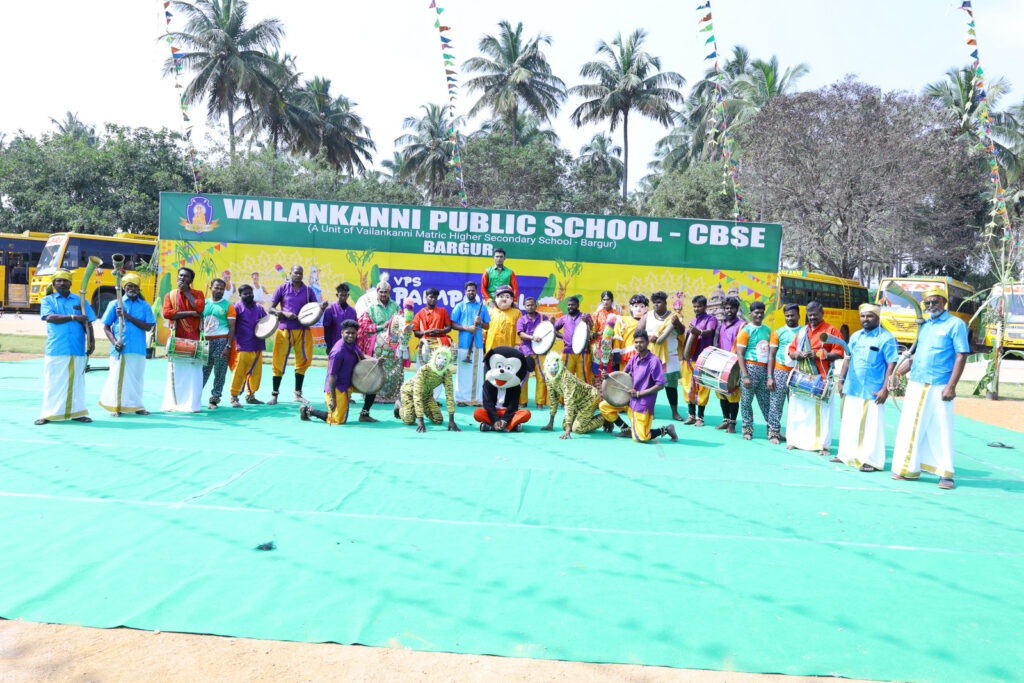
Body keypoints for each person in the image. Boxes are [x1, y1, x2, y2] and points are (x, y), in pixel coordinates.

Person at [889, 287, 969, 489]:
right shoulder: (925, 326)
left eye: (935, 302)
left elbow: (961, 355)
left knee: (941, 428)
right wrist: (898, 374)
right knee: (910, 426)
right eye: (928, 303)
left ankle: (945, 474)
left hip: (940, 384)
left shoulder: (955, 324)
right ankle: (908, 469)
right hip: (917, 382)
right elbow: (916, 356)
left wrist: (951, 386)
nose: (931, 306)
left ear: (944, 302)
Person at [833, 303, 899, 472]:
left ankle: (872, 460)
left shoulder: (887, 338)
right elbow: (847, 359)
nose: (865, 319)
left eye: (869, 316)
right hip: (853, 386)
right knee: (849, 422)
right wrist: (841, 379)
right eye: (863, 316)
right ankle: (846, 455)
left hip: (873, 389)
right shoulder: (855, 336)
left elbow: (891, 365)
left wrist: (886, 388)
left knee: (872, 426)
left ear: (878, 317)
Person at [36, 270, 97, 425]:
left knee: (77, 382)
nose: (62, 283)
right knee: (53, 381)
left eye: (65, 281)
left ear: (71, 283)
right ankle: (48, 414)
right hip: (56, 348)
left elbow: (88, 322)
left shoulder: (80, 300)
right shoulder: (48, 300)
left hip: (77, 347)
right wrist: (72, 317)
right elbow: (50, 317)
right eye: (59, 281)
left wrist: (92, 341)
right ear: (54, 283)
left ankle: (78, 413)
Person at [785, 300, 844, 455]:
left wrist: (819, 355)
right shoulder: (802, 331)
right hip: (802, 376)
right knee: (799, 410)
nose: (812, 318)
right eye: (810, 315)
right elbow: (791, 350)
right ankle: (795, 441)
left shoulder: (831, 330)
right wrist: (796, 354)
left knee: (822, 413)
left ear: (822, 313)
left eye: (815, 315)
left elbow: (840, 352)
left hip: (822, 377)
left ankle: (822, 445)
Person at [599, 328, 678, 443]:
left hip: (642, 404)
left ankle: (666, 429)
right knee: (604, 406)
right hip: (628, 399)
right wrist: (608, 377)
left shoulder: (654, 361)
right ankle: (625, 429)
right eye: (636, 342)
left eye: (641, 342)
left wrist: (639, 393)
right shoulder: (634, 358)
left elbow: (660, 385)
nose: (638, 344)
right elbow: (623, 375)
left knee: (640, 437)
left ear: (647, 343)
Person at [267, 265, 326, 405]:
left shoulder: (308, 291)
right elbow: (270, 308)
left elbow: (314, 311)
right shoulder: (282, 288)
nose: (298, 275)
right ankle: (274, 395)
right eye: (296, 273)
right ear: (290, 273)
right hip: (284, 330)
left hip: (303, 330)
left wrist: (321, 308)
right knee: (278, 361)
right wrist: (283, 313)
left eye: (301, 273)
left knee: (303, 360)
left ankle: (298, 394)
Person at [99, 273, 155, 416]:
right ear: (124, 287)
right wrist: (114, 342)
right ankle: (116, 406)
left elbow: (148, 327)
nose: (133, 288)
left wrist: (127, 316)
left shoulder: (144, 305)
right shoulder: (115, 304)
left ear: (139, 288)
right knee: (118, 378)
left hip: (138, 348)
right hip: (120, 348)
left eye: (135, 286)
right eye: (129, 285)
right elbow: (106, 327)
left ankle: (137, 406)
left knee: (136, 378)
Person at [300, 319, 363, 425]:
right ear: (342, 333)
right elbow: (332, 376)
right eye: (348, 332)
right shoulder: (337, 352)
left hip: (349, 383)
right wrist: (333, 399)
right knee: (337, 420)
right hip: (337, 387)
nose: (351, 335)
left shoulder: (352, 344)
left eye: (353, 333)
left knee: (374, 388)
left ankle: (365, 414)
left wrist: (375, 361)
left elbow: (361, 356)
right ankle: (307, 411)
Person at [162, 267, 205, 413]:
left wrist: (187, 292)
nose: (182, 278)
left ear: (191, 280)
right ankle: (175, 404)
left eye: (186, 277)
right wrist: (189, 313)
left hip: (195, 341)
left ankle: (192, 406)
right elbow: (167, 313)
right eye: (180, 276)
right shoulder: (171, 295)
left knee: (194, 374)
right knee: (176, 372)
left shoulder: (198, 294)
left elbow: (199, 309)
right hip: (177, 340)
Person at [639, 291, 686, 420]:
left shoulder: (673, 316)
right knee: (650, 385)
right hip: (651, 356)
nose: (656, 305)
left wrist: (676, 323)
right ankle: (650, 411)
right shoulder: (647, 316)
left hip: (670, 356)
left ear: (665, 303)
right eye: (654, 303)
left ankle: (675, 412)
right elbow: (638, 333)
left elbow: (681, 331)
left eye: (659, 302)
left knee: (671, 385)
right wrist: (649, 337)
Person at [394, 345, 461, 433]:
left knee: (438, 420)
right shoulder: (424, 370)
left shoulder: (446, 373)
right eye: (439, 358)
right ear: (434, 358)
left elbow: (450, 396)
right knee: (409, 420)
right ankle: (399, 406)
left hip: (427, 395)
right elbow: (417, 394)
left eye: (445, 360)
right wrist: (420, 420)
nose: (441, 362)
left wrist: (451, 420)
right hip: (409, 393)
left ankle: (416, 409)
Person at [358, 280, 401, 410]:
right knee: (377, 368)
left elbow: (402, 321)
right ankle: (374, 394)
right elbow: (363, 326)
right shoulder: (371, 308)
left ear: (389, 292)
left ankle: (391, 395)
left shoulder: (396, 307)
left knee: (395, 370)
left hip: (393, 345)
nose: (383, 294)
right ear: (377, 292)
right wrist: (380, 326)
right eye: (380, 292)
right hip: (377, 345)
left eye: (385, 292)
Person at [541, 354, 606, 438]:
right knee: (565, 425)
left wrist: (568, 430)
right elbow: (553, 399)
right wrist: (551, 423)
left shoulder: (567, 378)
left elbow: (569, 402)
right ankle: (586, 418)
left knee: (577, 429)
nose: (553, 373)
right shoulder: (548, 378)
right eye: (551, 371)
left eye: (555, 371)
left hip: (590, 398)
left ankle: (604, 418)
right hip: (576, 400)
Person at [735, 300, 772, 440]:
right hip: (749, 369)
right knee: (746, 401)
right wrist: (745, 376)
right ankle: (747, 430)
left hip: (764, 370)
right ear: (750, 314)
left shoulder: (767, 330)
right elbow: (740, 354)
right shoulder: (745, 331)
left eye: (762, 313)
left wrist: (769, 375)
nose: (759, 315)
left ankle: (772, 430)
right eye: (756, 313)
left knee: (766, 402)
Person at [474, 346, 532, 432]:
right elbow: (488, 404)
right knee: (477, 413)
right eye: (499, 366)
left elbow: (513, 406)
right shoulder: (488, 384)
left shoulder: (515, 387)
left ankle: (493, 427)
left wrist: (504, 420)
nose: (502, 371)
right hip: (492, 412)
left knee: (526, 413)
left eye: (508, 368)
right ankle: (510, 427)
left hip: (508, 413)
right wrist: (495, 420)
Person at [766, 303, 801, 444]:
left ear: (798, 315)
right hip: (780, 371)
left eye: (792, 315)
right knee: (776, 404)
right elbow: (771, 355)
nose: (790, 318)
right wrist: (770, 376)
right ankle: (773, 433)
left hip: (798, 373)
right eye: (787, 316)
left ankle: (794, 435)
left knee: (797, 405)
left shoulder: (804, 332)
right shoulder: (778, 332)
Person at [228, 283, 267, 407]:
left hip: (258, 345)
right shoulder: (237, 307)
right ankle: (234, 397)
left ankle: (251, 396)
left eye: (250, 292)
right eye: (245, 293)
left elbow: (267, 322)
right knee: (239, 372)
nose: (248, 295)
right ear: (240, 295)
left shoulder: (259, 308)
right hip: (243, 346)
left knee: (256, 373)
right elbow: (231, 325)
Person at [680, 295, 717, 426]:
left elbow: (710, 332)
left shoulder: (711, 319)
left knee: (702, 387)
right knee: (688, 387)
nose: (696, 308)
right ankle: (691, 415)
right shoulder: (693, 321)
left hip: (704, 358)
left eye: (699, 306)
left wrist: (699, 332)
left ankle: (700, 417)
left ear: (705, 307)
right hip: (689, 359)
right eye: (695, 306)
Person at [451, 281, 490, 406]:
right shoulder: (460, 306)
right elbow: (453, 324)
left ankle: (477, 399)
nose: (471, 292)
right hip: (464, 344)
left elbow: (487, 326)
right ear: (465, 291)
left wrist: (480, 322)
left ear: (476, 291)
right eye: (469, 290)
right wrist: (467, 328)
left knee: (477, 373)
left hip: (477, 344)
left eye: (473, 290)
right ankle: (462, 399)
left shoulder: (482, 307)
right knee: (463, 372)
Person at [201, 277, 236, 409]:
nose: (219, 290)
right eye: (216, 287)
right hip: (205, 341)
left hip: (221, 341)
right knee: (202, 371)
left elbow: (232, 327)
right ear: (211, 288)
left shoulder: (228, 306)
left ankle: (214, 400)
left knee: (220, 372)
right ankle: (195, 397)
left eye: (222, 288)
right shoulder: (204, 304)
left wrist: (228, 345)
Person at [713, 296, 745, 433]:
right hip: (721, 362)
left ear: (736, 309)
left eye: (732, 308)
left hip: (734, 364)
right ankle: (725, 420)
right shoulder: (721, 325)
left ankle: (732, 424)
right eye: (726, 308)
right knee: (721, 392)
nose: (729, 310)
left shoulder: (742, 325)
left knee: (733, 393)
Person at [516, 297, 549, 408]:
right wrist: (532, 338)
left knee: (542, 377)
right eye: (527, 305)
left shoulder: (543, 318)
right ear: (525, 307)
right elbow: (520, 334)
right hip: (526, 351)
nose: (530, 307)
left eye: (532, 305)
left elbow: (549, 331)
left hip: (541, 352)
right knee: (524, 378)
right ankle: (522, 401)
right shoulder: (522, 320)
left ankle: (540, 402)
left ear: (536, 306)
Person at [554, 296, 593, 384]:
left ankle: (583, 398)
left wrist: (587, 321)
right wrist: (563, 336)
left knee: (583, 378)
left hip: (583, 352)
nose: (570, 307)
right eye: (569, 305)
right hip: (567, 351)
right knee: (565, 377)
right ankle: (565, 398)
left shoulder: (585, 316)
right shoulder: (563, 318)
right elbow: (554, 329)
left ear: (578, 305)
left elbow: (591, 327)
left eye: (573, 305)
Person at [413, 287, 453, 367]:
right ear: (426, 297)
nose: (433, 299)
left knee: (439, 372)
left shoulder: (443, 311)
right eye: (431, 297)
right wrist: (426, 332)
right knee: (423, 371)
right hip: (425, 345)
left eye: (435, 297)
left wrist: (441, 331)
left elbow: (449, 327)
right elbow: (416, 333)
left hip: (440, 345)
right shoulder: (420, 314)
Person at [590, 291, 619, 385]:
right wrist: (600, 333)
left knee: (611, 372)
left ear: (612, 301)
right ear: (601, 301)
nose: (606, 302)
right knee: (597, 371)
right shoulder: (596, 314)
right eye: (604, 299)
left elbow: (621, 331)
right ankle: (599, 395)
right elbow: (591, 333)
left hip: (613, 346)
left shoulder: (618, 315)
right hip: (598, 347)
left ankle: (610, 395)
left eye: (608, 299)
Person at [613, 294, 648, 371]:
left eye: (642, 306)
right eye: (635, 306)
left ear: (646, 308)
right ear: (631, 307)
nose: (638, 308)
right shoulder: (623, 320)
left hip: (644, 354)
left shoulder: (649, 321)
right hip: (627, 355)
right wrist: (616, 352)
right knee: (626, 379)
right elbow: (617, 336)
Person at [321, 283, 357, 352]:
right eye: (341, 295)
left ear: (348, 295)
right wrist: (329, 346)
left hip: (349, 345)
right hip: (334, 345)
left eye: (345, 295)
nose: (343, 297)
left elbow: (355, 330)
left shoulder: (352, 311)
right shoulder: (330, 309)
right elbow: (327, 329)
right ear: (337, 295)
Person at [485, 285, 522, 351]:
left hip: (510, 348)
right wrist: (483, 342)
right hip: (491, 347)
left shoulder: (517, 313)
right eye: (501, 296)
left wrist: (517, 344)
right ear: (496, 298)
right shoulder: (490, 312)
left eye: (507, 297)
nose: (504, 299)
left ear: (512, 299)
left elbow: (519, 330)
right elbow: (484, 329)